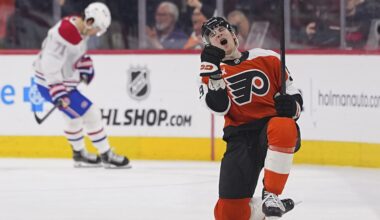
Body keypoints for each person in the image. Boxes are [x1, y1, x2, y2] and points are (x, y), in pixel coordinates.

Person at [198, 17, 302, 219]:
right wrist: (215, 75)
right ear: (209, 45)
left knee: (283, 125)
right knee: (227, 213)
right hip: (239, 138)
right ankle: (260, 211)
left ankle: (271, 195)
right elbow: (220, 107)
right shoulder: (208, 73)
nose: (218, 34)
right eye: (212, 35)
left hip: (270, 131)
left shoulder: (267, 58)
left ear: (234, 36)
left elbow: (292, 91)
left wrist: (292, 106)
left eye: (221, 29)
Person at [32, 2, 130, 168]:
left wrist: (83, 64)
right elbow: (50, 66)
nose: (96, 33)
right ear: (90, 21)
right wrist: (58, 93)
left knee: (74, 118)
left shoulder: (79, 28)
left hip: (59, 84)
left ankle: (79, 154)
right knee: (92, 114)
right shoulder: (63, 35)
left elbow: (73, 55)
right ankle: (106, 154)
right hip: (51, 85)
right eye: (97, 29)